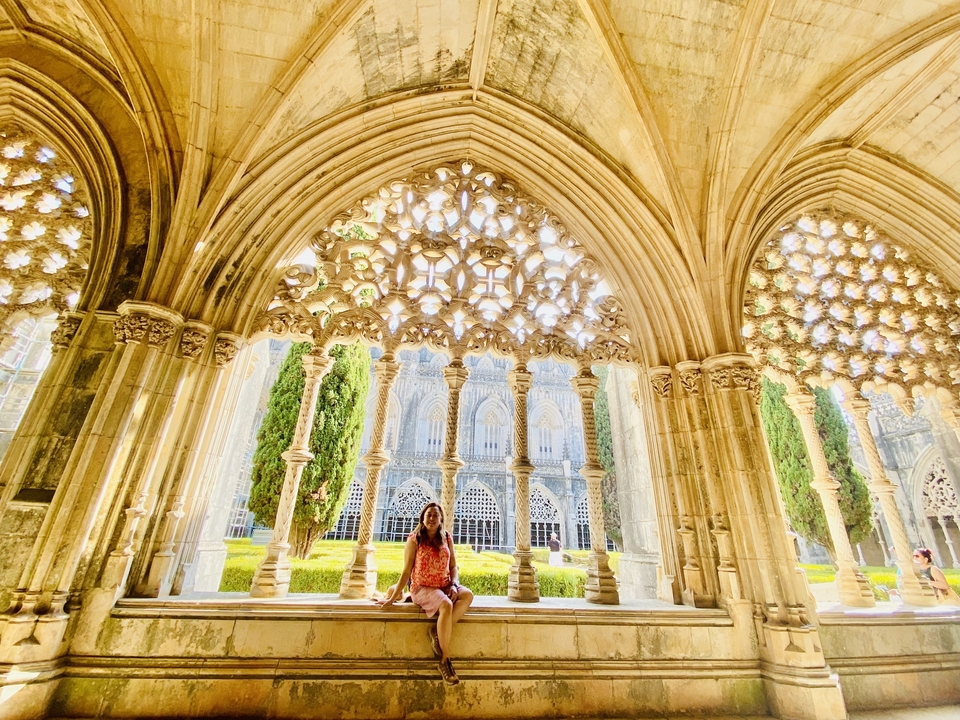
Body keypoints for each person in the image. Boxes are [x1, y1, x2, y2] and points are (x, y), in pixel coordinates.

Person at [378, 502, 474, 685]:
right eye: (428, 515)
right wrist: (391, 598)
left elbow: (453, 566)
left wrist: (454, 584)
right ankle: (445, 660)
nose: (431, 518)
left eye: (435, 515)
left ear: (441, 519)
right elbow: (406, 571)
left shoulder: (447, 537)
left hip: (445, 585)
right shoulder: (415, 539)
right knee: (446, 605)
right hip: (422, 588)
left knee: (467, 595)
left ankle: (437, 631)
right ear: (422, 518)